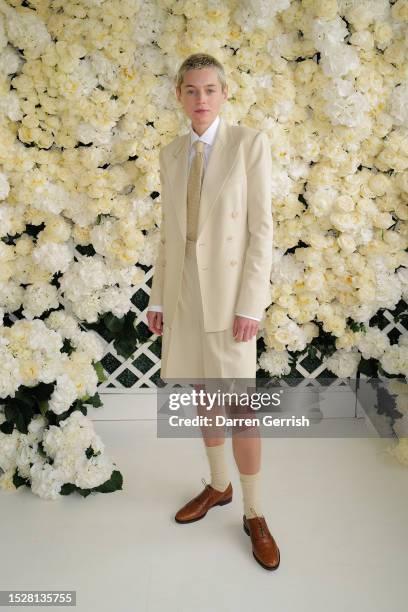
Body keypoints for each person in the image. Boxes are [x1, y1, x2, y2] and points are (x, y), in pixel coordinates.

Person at [147, 53, 280, 571]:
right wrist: (159, 297)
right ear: (179, 96)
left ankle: (254, 512)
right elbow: (168, 234)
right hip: (184, 294)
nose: (200, 99)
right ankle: (219, 486)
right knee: (205, 395)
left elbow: (261, 231)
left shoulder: (249, 144)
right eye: (191, 90)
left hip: (230, 300)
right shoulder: (172, 152)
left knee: (241, 406)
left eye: (209, 90)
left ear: (225, 94)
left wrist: (251, 304)